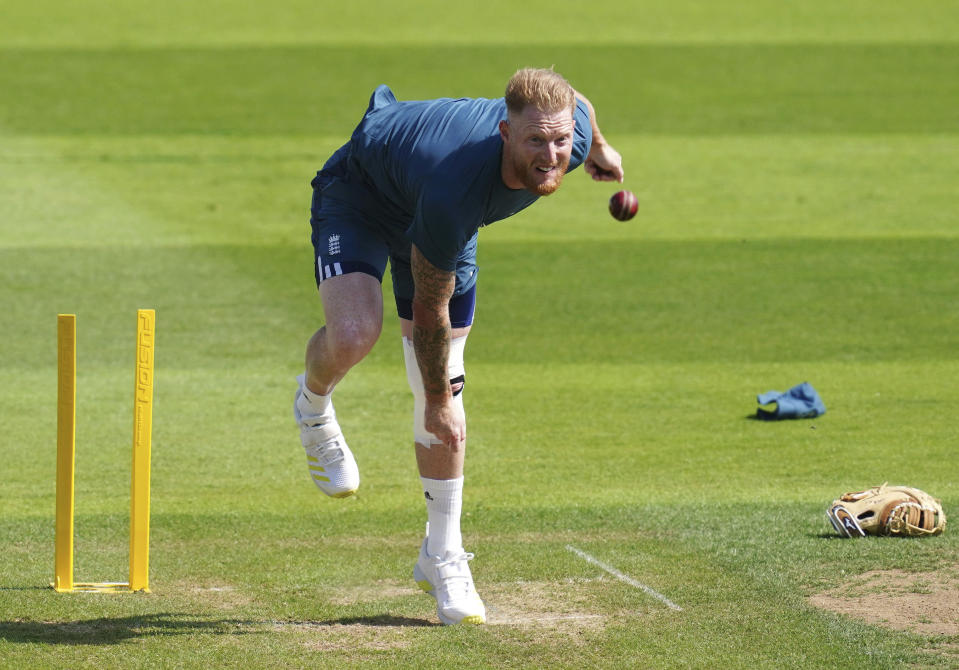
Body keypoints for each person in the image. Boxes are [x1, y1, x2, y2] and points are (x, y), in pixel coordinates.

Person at [293, 67, 624, 625]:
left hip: (442, 215)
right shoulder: (457, 187)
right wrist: (438, 399)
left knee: (447, 382)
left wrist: (601, 148)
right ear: (504, 133)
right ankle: (312, 404)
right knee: (358, 337)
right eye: (535, 141)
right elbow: (429, 312)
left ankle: (441, 555)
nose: (551, 156)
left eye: (562, 140)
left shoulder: (570, 134)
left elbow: (580, 103)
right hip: (365, 194)